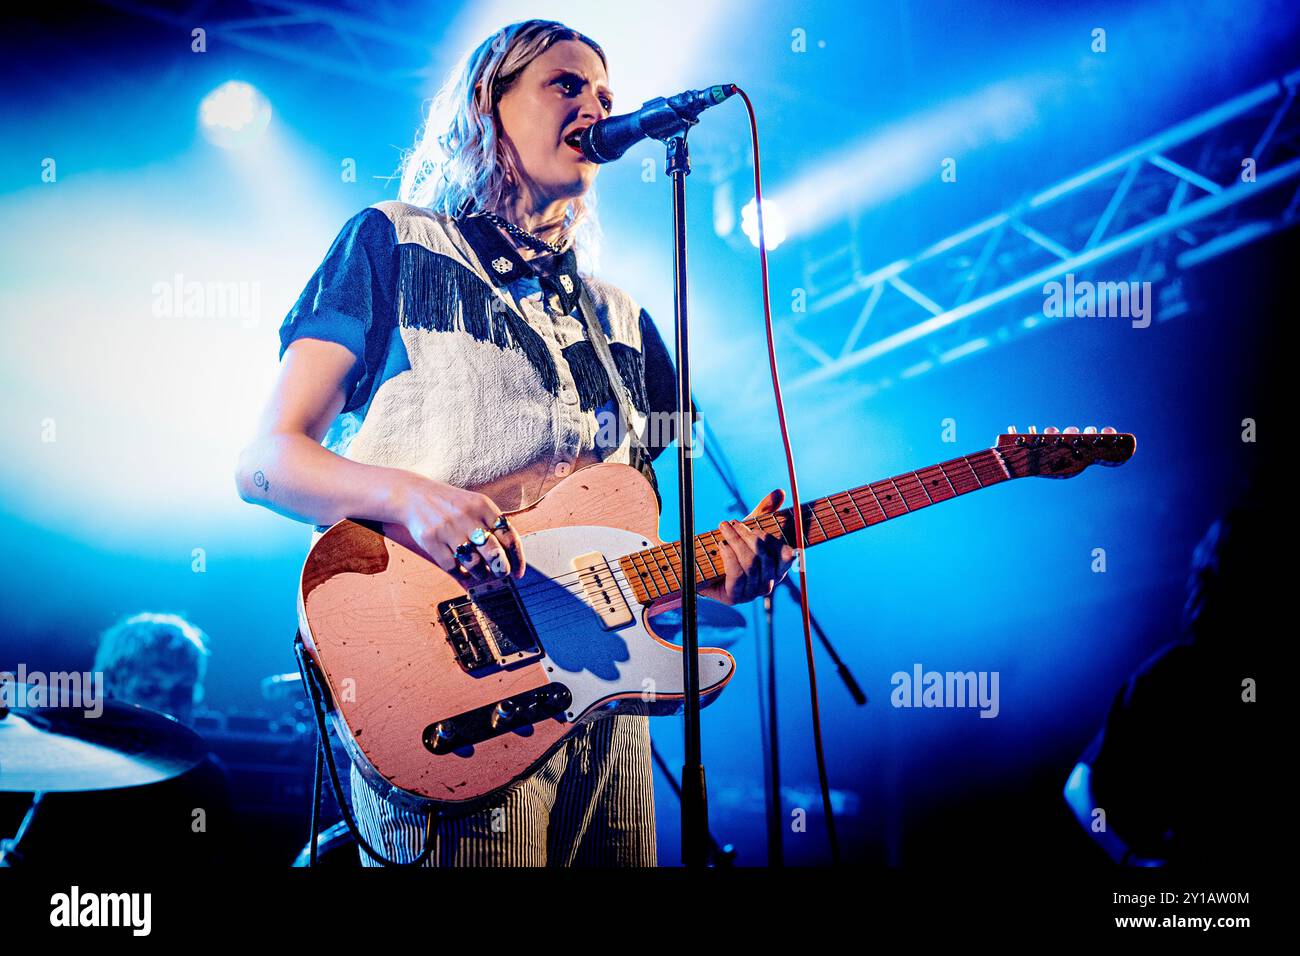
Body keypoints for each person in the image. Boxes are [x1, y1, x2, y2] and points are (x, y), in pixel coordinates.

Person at [235, 18, 795, 867]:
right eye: (564, 85)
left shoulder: (624, 321)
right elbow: (266, 462)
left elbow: (624, 550)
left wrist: (722, 574)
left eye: (605, 94)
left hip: (605, 708)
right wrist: (408, 495)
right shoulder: (393, 242)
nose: (595, 106)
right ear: (485, 106)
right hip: (445, 684)